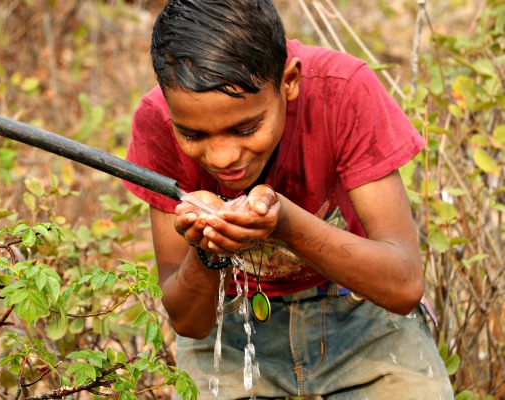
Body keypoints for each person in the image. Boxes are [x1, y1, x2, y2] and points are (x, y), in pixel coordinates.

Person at [122, 0, 454, 398]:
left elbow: (402, 286)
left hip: (359, 311)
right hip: (232, 323)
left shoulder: (342, 90)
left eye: (246, 128)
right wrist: (208, 251)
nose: (223, 157)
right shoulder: (156, 119)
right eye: (193, 135)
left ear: (289, 82)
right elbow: (189, 322)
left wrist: (286, 223)